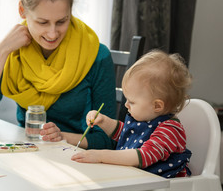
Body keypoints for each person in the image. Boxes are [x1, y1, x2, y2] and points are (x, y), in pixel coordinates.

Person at [0, 0, 117, 150]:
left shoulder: (97, 56)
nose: (52, 33)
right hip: (29, 155)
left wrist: (62, 137)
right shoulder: (16, 52)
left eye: (62, 21)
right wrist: (1, 51)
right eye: (42, 22)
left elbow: (107, 140)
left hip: (77, 158)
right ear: (22, 10)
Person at [72, 50, 193, 178]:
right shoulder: (146, 116)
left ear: (157, 106)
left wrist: (100, 156)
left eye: (132, 102)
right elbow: (124, 133)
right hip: (137, 183)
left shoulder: (169, 131)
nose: (126, 104)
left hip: (165, 190)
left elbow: (141, 156)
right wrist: (102, 121)